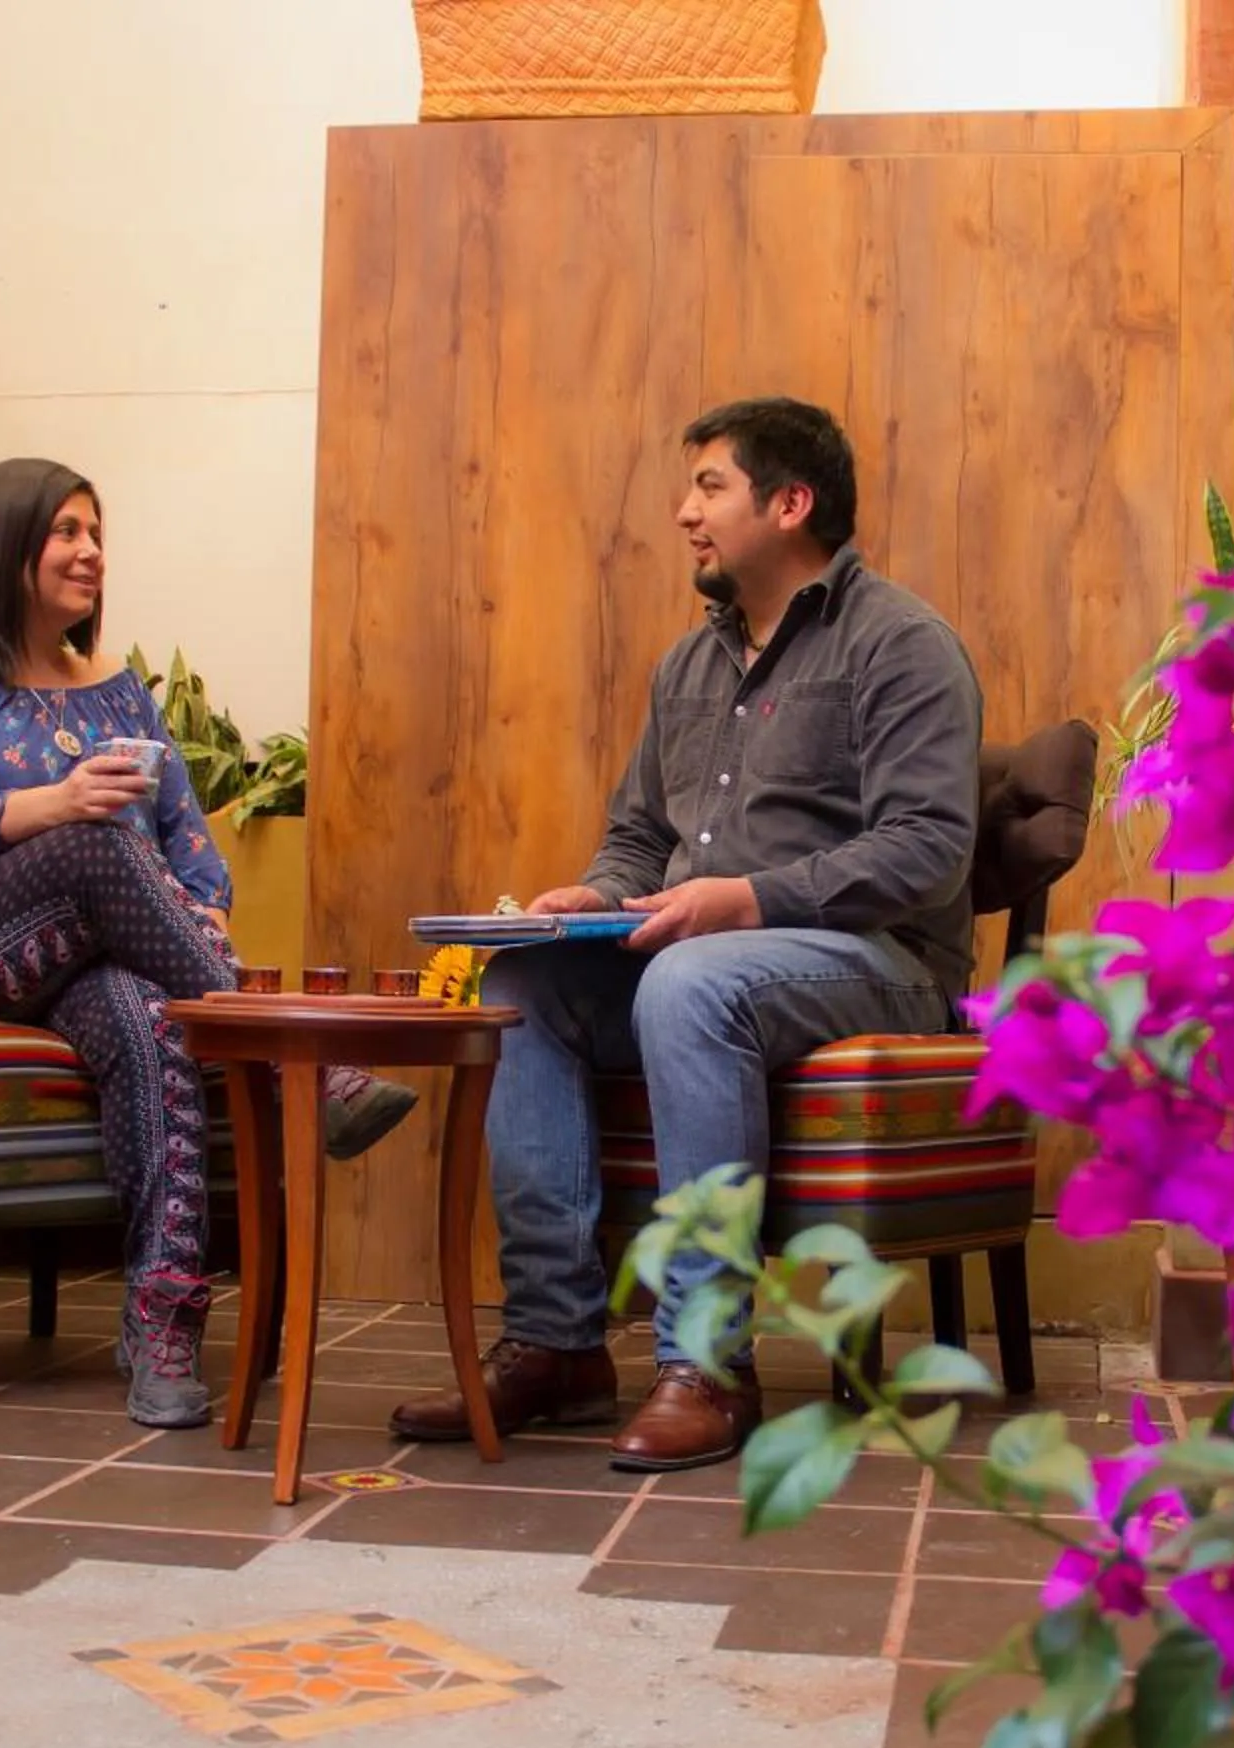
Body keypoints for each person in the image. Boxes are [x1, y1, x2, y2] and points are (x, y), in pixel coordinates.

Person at [388, 399, 982, 1473]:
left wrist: (746, 897)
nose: (684, 513)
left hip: (882, 965)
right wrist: (597, 893)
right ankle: (559, 1344)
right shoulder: (687, 667)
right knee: (521, 978)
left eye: (710, 488)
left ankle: (708, 1363)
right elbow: (640, 837)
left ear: (790, 503)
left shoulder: (902, 645)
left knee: (690, 982)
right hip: (714, 957)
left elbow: (928, 847)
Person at [0, 457, 415, 1429]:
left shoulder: (117, 691)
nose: (90, 552)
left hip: (73, 949)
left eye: (95, 533)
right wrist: (58, 803)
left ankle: (162, 1326)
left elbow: (190, 840)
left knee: (151, 1011)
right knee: (93, 835)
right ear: (3, 545)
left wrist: (201, 911)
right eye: (66, 531)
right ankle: (305, 1060)